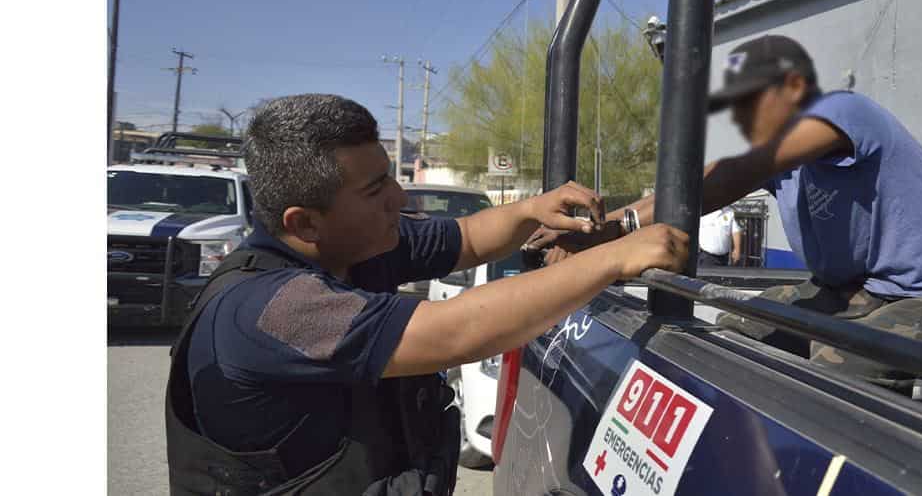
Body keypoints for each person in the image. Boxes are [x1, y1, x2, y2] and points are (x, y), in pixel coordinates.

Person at [165, 94, 688, 495]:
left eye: (390, 177)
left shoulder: (351, 247)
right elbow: (456, 331)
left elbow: (467, 237)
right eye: (374, 191)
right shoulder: (272, 308)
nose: (399, 197)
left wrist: (533, 209)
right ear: (304, 222)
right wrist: (614, 257)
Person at [527, 34, 922, 393]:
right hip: (863, 291)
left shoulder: (845, 113)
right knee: (736, 329)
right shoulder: (780, 163)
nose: (741, 114)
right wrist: (598, 231)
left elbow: (735, 173)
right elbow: (693, 187)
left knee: (833, 364)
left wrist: (614, 232)